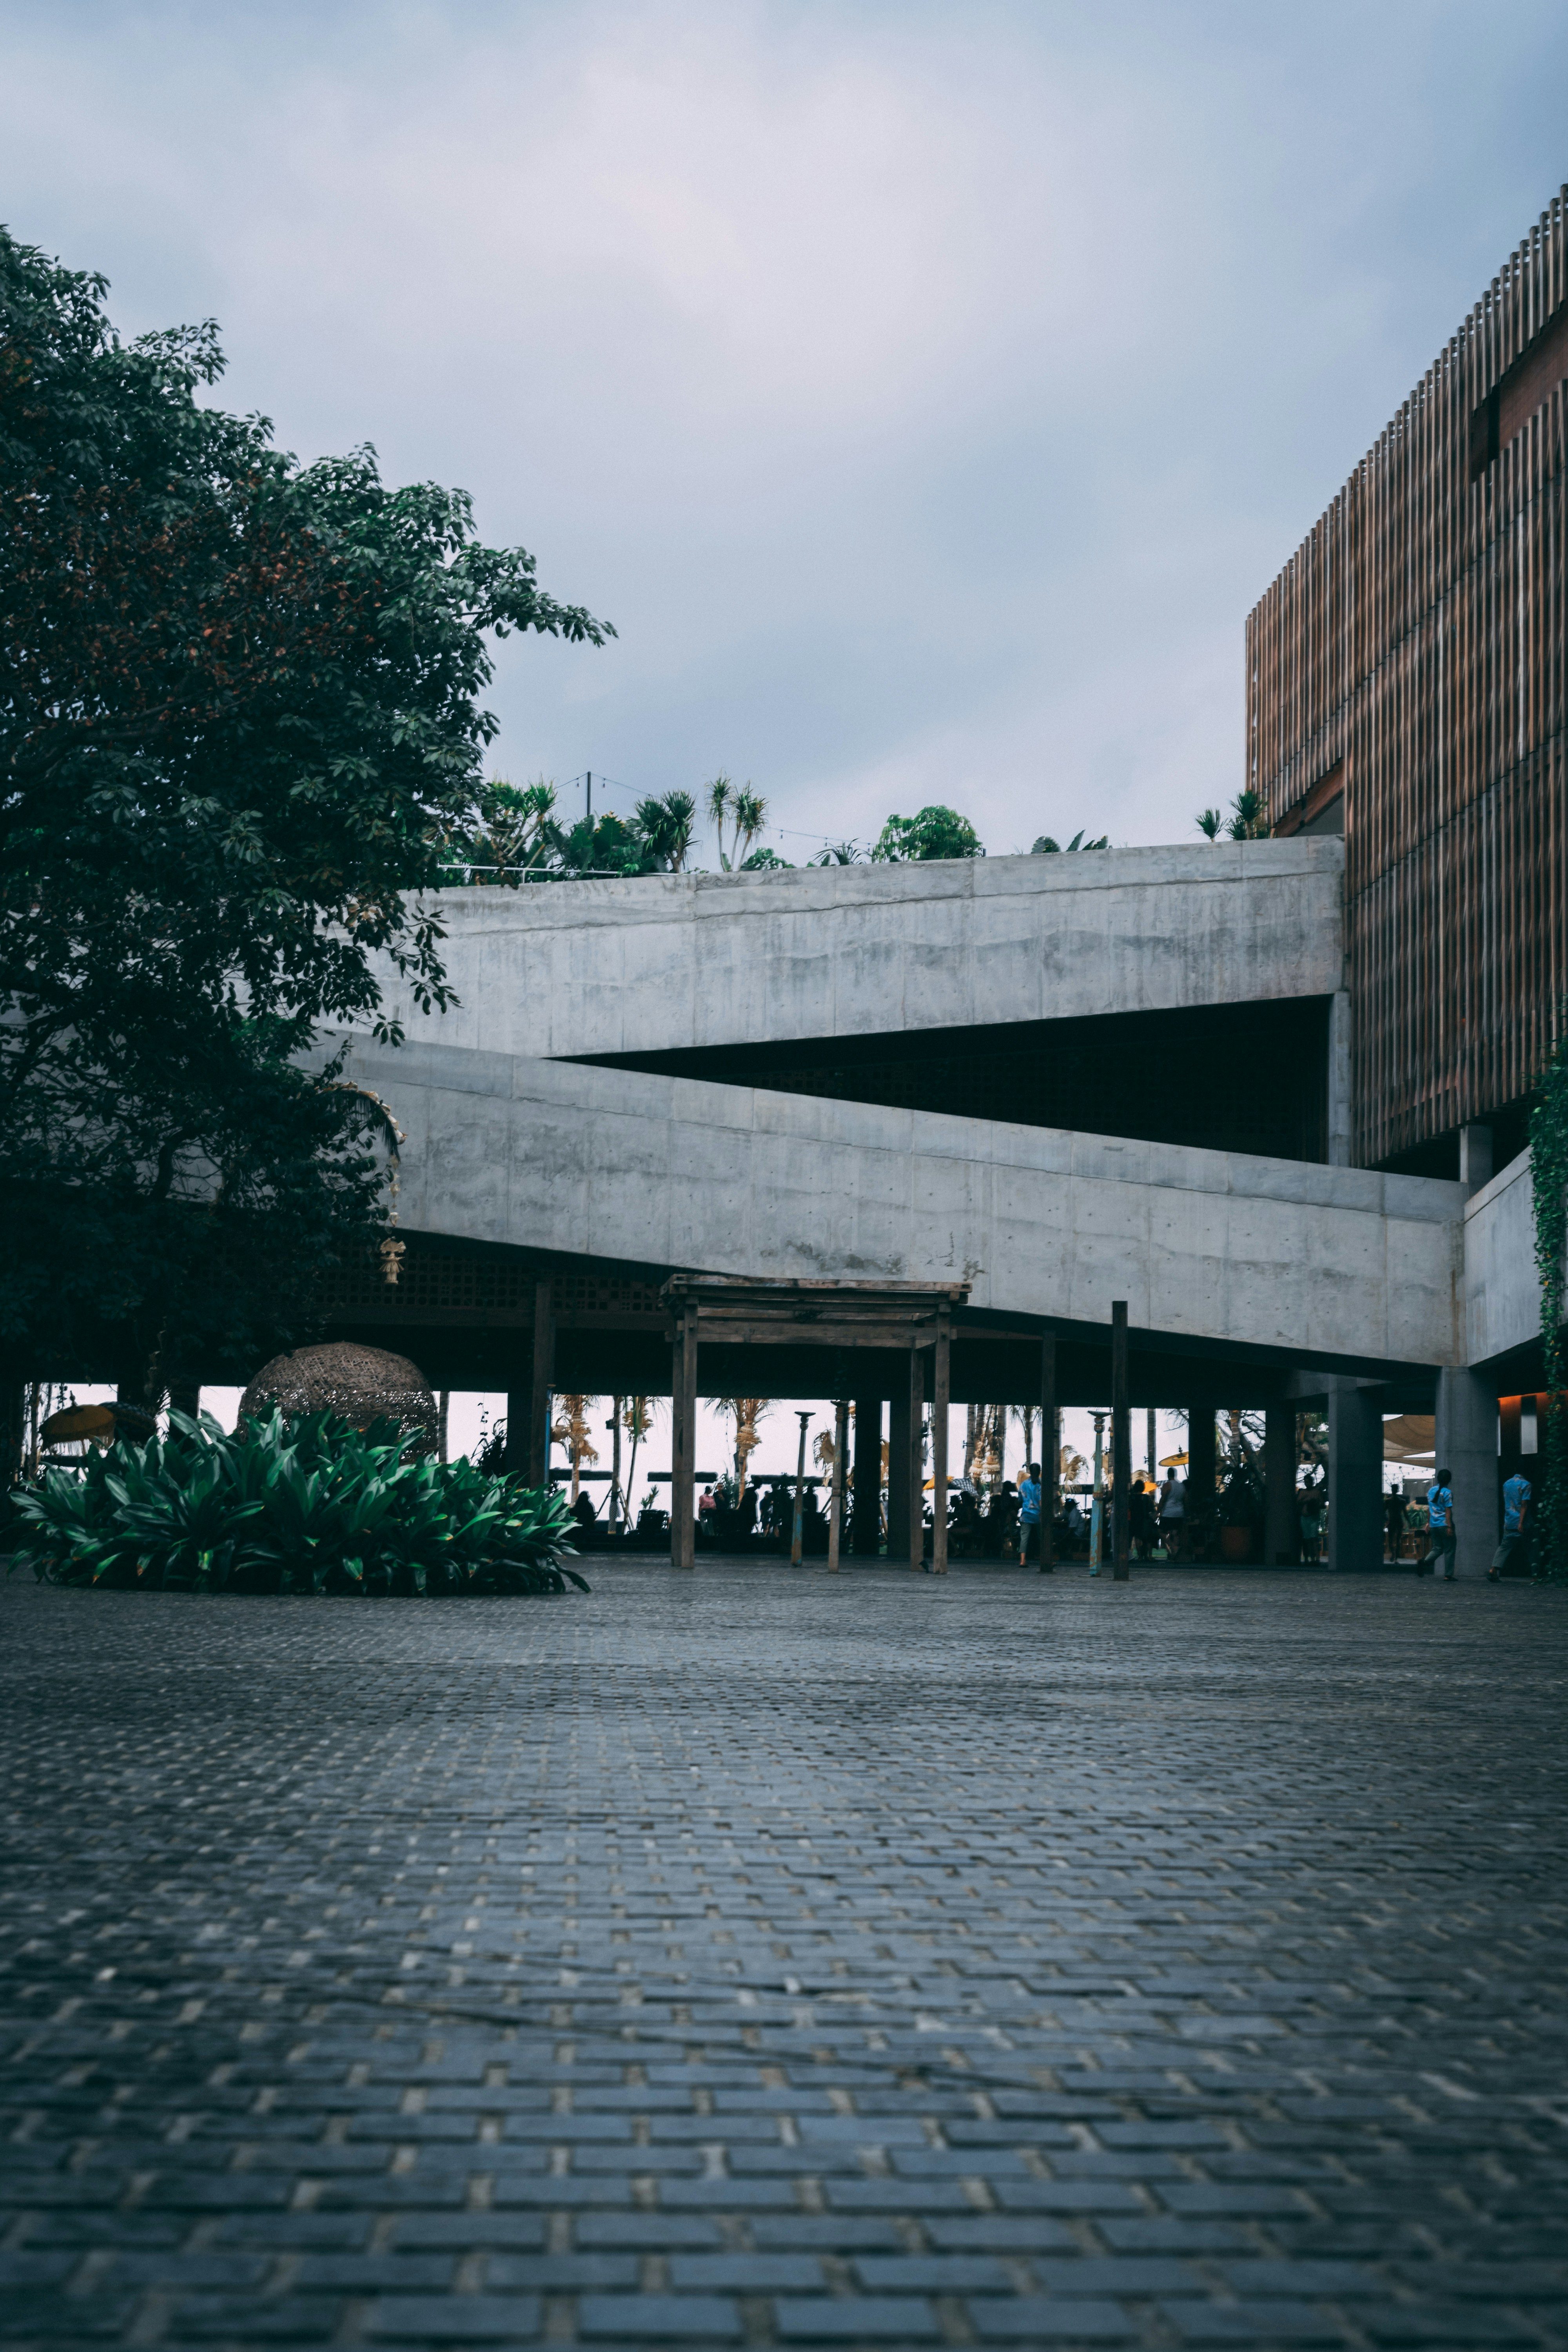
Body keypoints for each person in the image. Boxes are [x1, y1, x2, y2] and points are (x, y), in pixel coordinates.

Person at [1492, 1466, 1531, 1581]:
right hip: (1522, 1521)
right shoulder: (1526, 1484)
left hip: (1509, 1520)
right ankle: (1535, 1575)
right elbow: (1524, 1505)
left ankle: (1494, 1569)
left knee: (1505, 1546)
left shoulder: (1507, 1484)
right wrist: (1521, 1523)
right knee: (1531, 1546)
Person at [1422, 1466, 1457, 1581]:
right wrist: (1450, 1526)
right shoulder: (1448, 1493)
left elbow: (1429, 1509)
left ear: (1438, 1479)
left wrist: (1428, 1523)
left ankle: (1425, 1562)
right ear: (1449, 1480)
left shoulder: (1431, 1491)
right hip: (1444, 1525)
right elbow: (1448, 1510)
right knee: (1449, 1549)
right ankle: (1448, 1575)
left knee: (1437, 1548)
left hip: (1434, 1525)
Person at [1018, 1461, 1047, 1570]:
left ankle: (1023, 1560)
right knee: (1043, 1537)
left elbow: (1020, 1500)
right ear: (1040, 1472)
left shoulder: (1024, 1485)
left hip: (1026, 1515)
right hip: (1039, 1515)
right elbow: (1041, 1502)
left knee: (1024, 1538)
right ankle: (1047, 1559)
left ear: (1030, 1472)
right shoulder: (1041, 1485)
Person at [1158, 1471, 1185, 1559]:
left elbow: (1163, 1499)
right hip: (1180, 1512)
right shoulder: (1182, 1486)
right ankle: (1174, 1555)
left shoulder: (1168, 1485)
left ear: (1168, 1475)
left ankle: (1174, 1547)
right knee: (1175, 1533)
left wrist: (1159, 1510)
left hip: (1168, 1512)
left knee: (1160, 1532)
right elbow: (1185, 1499)